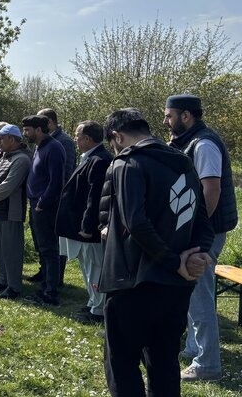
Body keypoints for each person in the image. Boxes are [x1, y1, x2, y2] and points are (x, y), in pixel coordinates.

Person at [100, 108, 214, 397]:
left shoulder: (128, 163)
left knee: (122, 363)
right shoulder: (185, 163)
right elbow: (202, 221)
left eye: (113, 144)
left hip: (133, 281)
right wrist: (196, 256)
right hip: (176, 285)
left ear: (117, 136)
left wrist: (175, 261)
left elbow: (135, 222)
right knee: (164, 362)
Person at [164, 94, 238, 382]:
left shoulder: (204, 144)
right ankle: (195, 346)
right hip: (201, 226)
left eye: (169, 115)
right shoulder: (190, 141)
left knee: (199, 293)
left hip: (207, 229)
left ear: (186, 116)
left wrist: (195, 229)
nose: (165, 120)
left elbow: (211, 191)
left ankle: (207, 364)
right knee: (192, 288)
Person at [55, 121, 112, 323]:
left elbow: (95, 197)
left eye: (77, 135)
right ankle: (92, 302)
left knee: (94, 266)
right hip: (79, 226)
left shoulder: (100, 160)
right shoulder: (90, 158)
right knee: (87, 266)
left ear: (87, 138)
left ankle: (98, 310)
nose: (75, 139)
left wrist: (88, 226)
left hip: (90, 229)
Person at [0, 124, 31, 300]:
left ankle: (14, 287)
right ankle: (3, 280)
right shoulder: (4, 157)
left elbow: (9, 185)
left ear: (12, 139)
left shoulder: (22, 159)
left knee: (11, 251)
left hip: (12, 211)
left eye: (2, 138)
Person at [22, 115, 66, 306]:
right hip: (36, 205)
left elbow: (56, 181)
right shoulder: (38, 147)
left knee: (50, 249)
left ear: (39, 130)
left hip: (46, 207)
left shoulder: (54, 148)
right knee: (43, 247)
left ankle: (51, 292)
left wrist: (42, 203)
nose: (25, 133)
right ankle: (45, 285)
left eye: (28, 130)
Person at [33, 108, 77, 285]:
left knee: (54, 242)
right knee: (42, 240)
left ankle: (55, 278)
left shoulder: (63, 141)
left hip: (55, 199)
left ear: (49, 123)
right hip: (41, 197)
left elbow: (65, 172)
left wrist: (53, 197)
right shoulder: (42, 142)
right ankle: (44, 271)